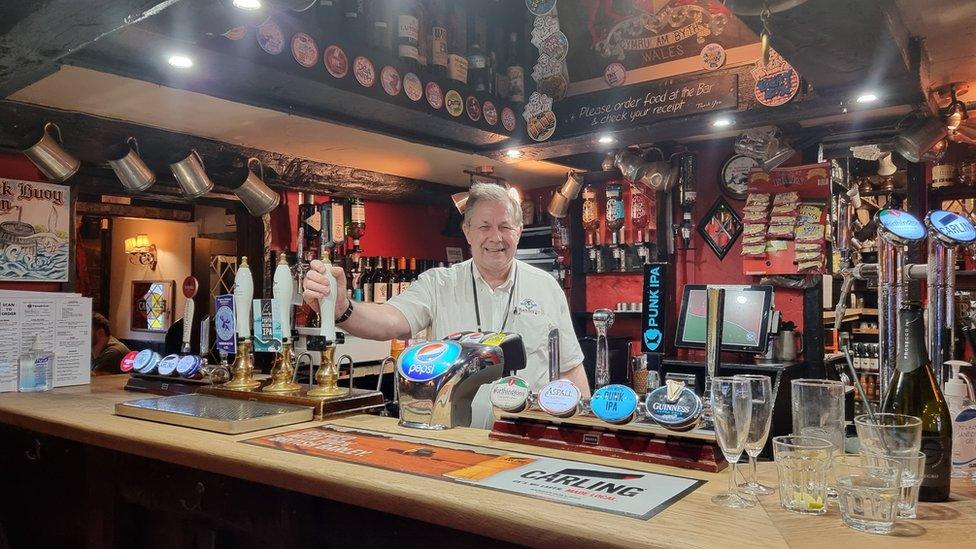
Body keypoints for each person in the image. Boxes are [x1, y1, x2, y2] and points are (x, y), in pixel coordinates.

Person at [303, 183, 589, 426]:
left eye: (505, 226)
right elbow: (391, 319)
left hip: (526, 435)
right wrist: (342, 308)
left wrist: (585, 434)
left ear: (519, 230)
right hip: (452, 434)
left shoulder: (546, 286)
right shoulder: (438, 284)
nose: (495, 237)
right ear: (467, 231)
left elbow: (570, 369)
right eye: (484, 226)